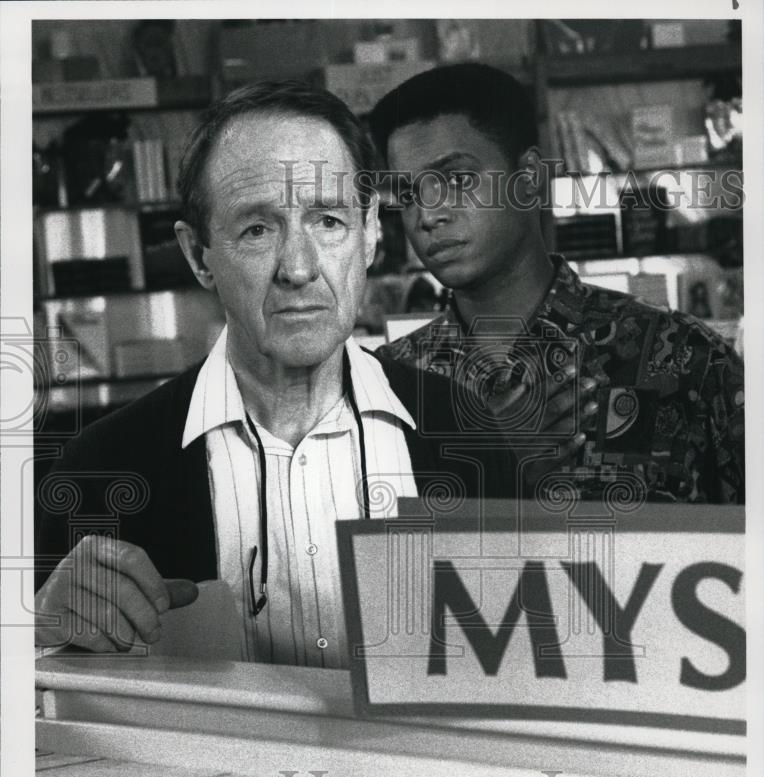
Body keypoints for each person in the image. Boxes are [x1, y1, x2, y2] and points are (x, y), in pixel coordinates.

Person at [35, 80, 513, 665]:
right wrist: (37, 630)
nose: (299, 267)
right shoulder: (98, 467)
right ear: (197, 255)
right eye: (257, 229)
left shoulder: (465, 429)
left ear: (370, 234)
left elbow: (523, 667)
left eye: (328, 221)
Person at [369, 62, 745, 504]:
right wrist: (491, 464)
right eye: (409, 193)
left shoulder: (685, 361)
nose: (426, 216)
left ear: (528, 178)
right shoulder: (384, 388)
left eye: (457, 180)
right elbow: (375, 563)